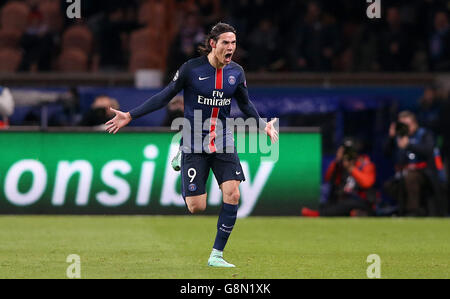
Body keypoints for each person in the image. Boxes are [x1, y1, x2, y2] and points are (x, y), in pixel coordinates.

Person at [105, 22, 279, 268]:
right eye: (226, 43)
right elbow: (165, 96)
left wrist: (263, 125)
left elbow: (246, 104)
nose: (231, 48)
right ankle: (181, 156)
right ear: (213, 44)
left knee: (233, 193)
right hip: (194, 143)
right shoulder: (191, 69)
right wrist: (130, 115)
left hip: (223, 142)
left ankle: (216, 255)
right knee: (197, 206)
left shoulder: (236, 73)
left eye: (234, 43)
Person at [383, 111, 445, 216]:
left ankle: (413, 212)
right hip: (404, 172)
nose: (404, 128)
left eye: (406, 125)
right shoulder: (399, 137)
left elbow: (429, 151)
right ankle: (403, 210)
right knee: (390, 185)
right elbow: (386, 153)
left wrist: (409, 145)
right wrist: (391, 137)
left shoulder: (424, 134)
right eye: (401, 125)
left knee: (411, 178)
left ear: (414, 123)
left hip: (424, 173)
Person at [301, 138, 376, 217]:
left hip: (361, 201)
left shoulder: (365, 164)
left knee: (349, 203)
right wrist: (337, 161)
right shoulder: (340, 165)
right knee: (332, 203)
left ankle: (318, 215)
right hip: (343, 201)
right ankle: (352, 214)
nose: (348, 154)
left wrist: (351, 169)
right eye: (345, 151)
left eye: (350, 151)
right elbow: (327, 178)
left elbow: (367, 183)